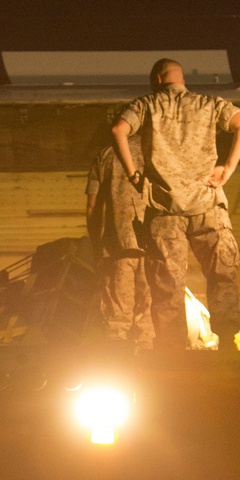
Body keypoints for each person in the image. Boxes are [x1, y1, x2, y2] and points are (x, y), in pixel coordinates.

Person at [111, 58, 240, 351]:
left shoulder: (147, 105)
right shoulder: (209, 103)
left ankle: (172, 350)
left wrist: (134, 175)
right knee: (222, 276)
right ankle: (229, 341)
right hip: (208, 205)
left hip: (166, 211)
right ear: (180, 78)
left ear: (158, 80)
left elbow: (118, 131)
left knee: (168, 286)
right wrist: (228, 167)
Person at [86, 139, 153, 350]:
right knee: (150, 320)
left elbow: (92, 207)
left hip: (118, 245)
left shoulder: (106, 154)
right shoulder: (158, 147)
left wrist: (96, 245)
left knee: (117, 319)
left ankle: (118, 368)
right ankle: (151, 371)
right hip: (155, 245)